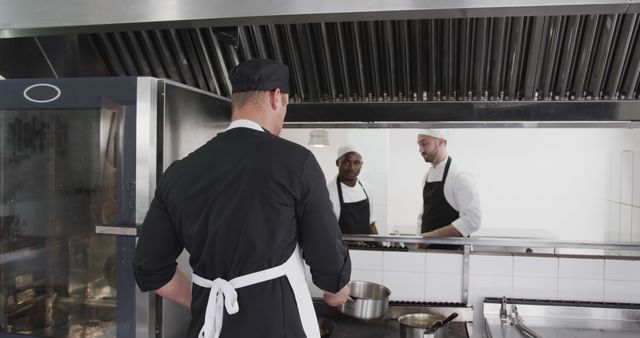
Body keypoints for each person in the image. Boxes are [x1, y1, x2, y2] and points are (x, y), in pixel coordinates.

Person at [133, 58, 351, 338]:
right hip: (275, 328)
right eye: (285, 105)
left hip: (208, 328)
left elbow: (150, 269)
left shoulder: (179, 172)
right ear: (276, 98)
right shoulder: (296, 162)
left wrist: (208, 301)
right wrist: (337, 289)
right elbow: (329, 263)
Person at [417, 129, 481, 249]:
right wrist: (419, 239)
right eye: (419, 144)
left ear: (440, 142)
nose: (420, 150)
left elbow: (473, 220)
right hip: (427, 254)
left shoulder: (460, 176)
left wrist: (432, 236)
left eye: (424, 144)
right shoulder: (427, 176)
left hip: (452, 256)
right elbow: (424, 214)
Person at [327, 145, 378, 235]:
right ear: (337, 163)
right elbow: (327, 231)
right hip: (340, 248)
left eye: (357, 163)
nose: (352, 168)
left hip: (367, 247)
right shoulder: (328, 192)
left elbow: (371, 224)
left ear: (361, 164)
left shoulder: (367, 188)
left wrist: (381, 247)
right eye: (346, 162)